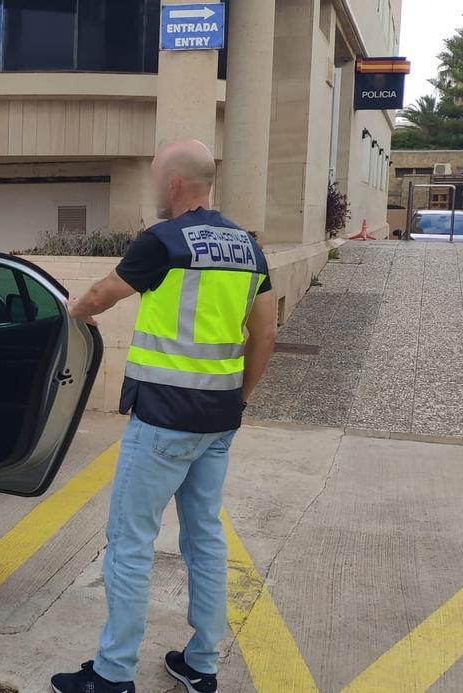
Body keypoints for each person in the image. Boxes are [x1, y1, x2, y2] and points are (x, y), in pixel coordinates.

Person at [49, 140, 278, 693]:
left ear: (174, 184)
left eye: (155, 178)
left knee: (130, 543)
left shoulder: (165, 240)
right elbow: (265, 332)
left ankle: (113, 673)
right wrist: (239, 400)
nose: (153, 187)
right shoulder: (249, 248)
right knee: (205, 538)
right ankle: (201, 664)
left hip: (163, 420)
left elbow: (103, 293)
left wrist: (75, 310)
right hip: (218, 420)